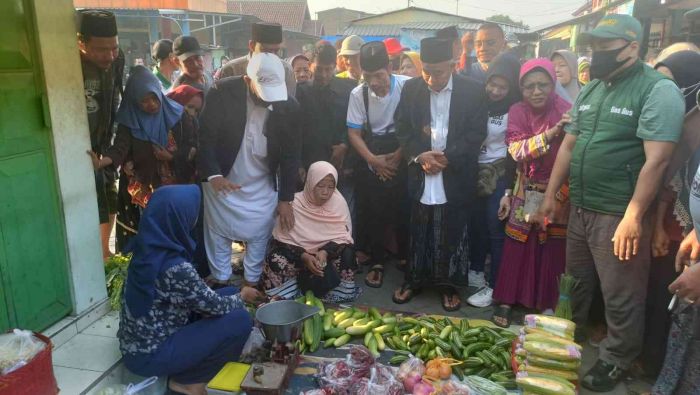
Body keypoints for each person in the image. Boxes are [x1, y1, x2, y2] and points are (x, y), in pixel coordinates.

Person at [538, 15, 685, 392]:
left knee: (621, 293)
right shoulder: (592, 89)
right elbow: (570, 144)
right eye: (594, 48)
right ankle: (571, 334)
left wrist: (633, 216)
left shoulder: (657, 90)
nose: (597, 55)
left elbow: (658, 160)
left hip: (618, 212)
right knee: (576, 281)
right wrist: (552, 195)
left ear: (633, 48)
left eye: (606, 48)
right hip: (582, 206)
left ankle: (617, 358)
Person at [117, 185, 261, 395]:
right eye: (192, 214)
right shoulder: (175, 267)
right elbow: (214, 306)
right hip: (152, 354)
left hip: (139, 345)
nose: (195, 219)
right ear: (178, 218)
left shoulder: (147, 248)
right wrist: (244, 295)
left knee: (229, 293)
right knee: (240, 319)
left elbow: (188, 296)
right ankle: (189, 382)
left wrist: (233, 294)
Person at [392, 37, 487, 311]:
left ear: (453, 65)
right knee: (418, 227)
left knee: (451, 227)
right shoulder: (411, 89)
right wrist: (420, 156)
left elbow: (476, 132)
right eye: (427, 71)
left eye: (439, 72)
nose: (432, 79)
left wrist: (448, 157)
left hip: (454, 171)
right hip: (421, 169)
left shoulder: (473, 91)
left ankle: (448, 285)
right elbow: (402, 128)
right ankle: (413, 280)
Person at [198, 53, 301, 288]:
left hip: (262, 180)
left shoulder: (290, 105)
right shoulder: (221, 92)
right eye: (264, 94)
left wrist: (286, 199)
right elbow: (206, 137)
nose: (269, 101)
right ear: (247, 81)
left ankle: (252, 281)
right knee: (218, 231)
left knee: (261, 228)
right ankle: (221, 280)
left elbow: (291, 154)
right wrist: (213, 175)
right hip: (223, 177)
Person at [490, 59, 571, 326]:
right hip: (526, 184)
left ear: (553, 84)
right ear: (521, 89)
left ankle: (546, 302)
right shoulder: (517, 110)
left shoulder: (568, 111)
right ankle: (506, 299)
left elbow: (573, 155)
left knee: (551, 246)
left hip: (560, 188)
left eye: (543, 85)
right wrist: (551, 134)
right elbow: (516, 150)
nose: (536, 91)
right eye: (529, 86)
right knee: (517, 243)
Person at [87, 66, 197, 248]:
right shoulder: (129, 122)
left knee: (178, 230)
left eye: (154, 97)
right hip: (147, 187)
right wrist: (100, 162)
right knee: (150, 233)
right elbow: (119, 148)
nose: (152, 104)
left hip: (179, 183)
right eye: (144, 101)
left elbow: (193, 145)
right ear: (134, 101)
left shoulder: (178, 115)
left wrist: (171, 156)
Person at [640, 50, 700, 377]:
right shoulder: (675, 124)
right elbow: (671, 179)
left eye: (670, 83)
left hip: (692, 238)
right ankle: (655, 366)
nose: (661, 91)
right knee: (663, 297)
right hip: (675, 231)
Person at [347, 41, 410, 288]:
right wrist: (374, 161)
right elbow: (354, 133)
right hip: (372, 152)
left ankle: (405, 255)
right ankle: (378, 261)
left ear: (390, 68)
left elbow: (415, 126)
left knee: (404, 205)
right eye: (368, 76)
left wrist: (398, 155)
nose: (374, 82)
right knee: (373, 209)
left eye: (379, 75)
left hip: (402, 150)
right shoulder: (358, 94)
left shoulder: (407, 87)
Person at [261, 161, 360, 303]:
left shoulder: (338, 203)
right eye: (320, 186)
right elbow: (281, 240)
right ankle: (288, 293)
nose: (325, 192)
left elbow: (343, 237)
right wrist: (304, 256)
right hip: (298, 257)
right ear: (310, 182)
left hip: (325, 259)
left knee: (349, 255)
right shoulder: (294, 204)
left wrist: (325, 252)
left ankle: (335, 295)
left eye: (331, 187)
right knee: (275, 257)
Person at [466, 53, 520, 308]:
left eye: (503, 86)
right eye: (492, 84)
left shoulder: (516, 110)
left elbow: (513, 152)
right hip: (474, 171)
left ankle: (496, 283)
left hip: (498, 173)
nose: (496, 91)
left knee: (495, 228)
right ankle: (476, 270)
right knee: (476, 225)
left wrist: (509, 187)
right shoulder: (476, 102)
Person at [78, 9, 123, 260]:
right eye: (102, 49)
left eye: (114, 48)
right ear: (80, 42)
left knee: (109, 196)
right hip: (78, 146)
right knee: (86, 203)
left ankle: (105, 251)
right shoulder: (67, 62)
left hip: (105, 143)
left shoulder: (118, 59)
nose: (110, 56)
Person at [296, 42, 355, 171]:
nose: (323, 75)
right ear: (311, 66)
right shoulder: (300, 92)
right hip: (309, 165)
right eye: (319, 69)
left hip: (340, 163)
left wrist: (345, 144)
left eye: (328, 69)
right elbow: (294, 131)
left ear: (335, 66)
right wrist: (298, 164)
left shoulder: (349, 90)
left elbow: (356, 123)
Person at [217, 22, 296, 96]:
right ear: (252, 46)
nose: (272, 56)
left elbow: (288, 106)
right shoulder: (232, 69)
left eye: (276, 51)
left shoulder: (286, 70)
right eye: (266, 51)